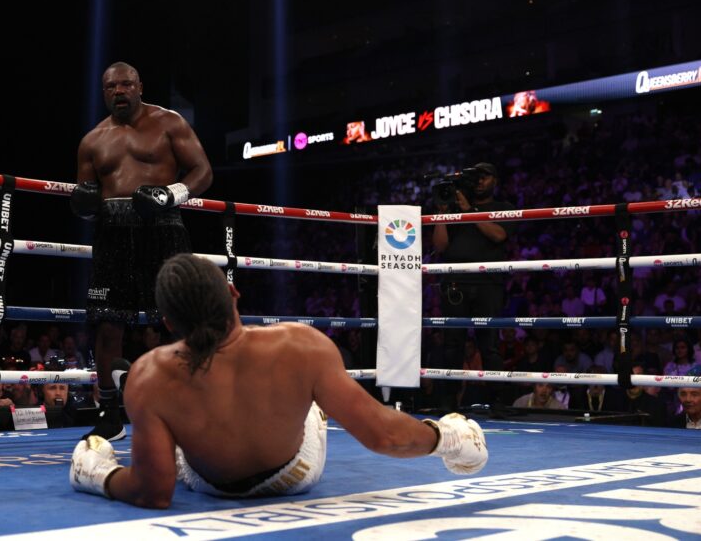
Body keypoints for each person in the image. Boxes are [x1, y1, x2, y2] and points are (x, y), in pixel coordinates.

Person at [70, 254, 487, 507]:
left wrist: (97, 473)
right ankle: (453, 435)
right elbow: (382, 435)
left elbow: (152, 493)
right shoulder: (299, 344)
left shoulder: (146, 375)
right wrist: (444, 437)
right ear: (233, 294)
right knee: (312, 387)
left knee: (167, 408)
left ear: (167, 322)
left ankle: (166, 420)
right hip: (294, 473)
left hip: (207, 483)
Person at [71, 62, 213, 441]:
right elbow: (88, 201)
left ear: (139, 86)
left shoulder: (169, 123)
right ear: (104, 93)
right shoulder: (92, 141)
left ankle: (179, 405)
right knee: (106, 323)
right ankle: (110, 410)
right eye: (111, 86)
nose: (119, 91)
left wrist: (170, 194)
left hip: (163, 227)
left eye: (125, 84)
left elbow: (202, 171)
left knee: (175, 320)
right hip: (112, 233)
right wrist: (84, 207)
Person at [432, 162, 514, 410]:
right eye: (476, 177)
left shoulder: (502, 208)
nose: (479, 181)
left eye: (485, 176)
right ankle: (449, 402)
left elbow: (499, 235)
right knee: (452, 345)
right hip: (455, 282)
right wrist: (444, 214)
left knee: (489, 345)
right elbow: (440, 246)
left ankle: (497, 402)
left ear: (495, 180)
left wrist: (470, 210)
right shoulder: (456, 210)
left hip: (488, 283)